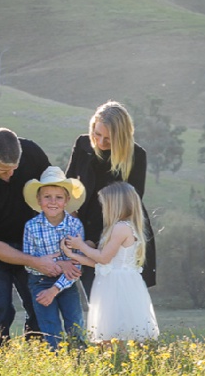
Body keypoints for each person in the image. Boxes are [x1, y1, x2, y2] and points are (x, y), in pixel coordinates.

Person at [0, 127, 78, 346]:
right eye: (4, 170)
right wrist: (35, 262)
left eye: (14, 168)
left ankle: (36, 359)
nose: (10, 175)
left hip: (33, 242)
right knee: (1, 308)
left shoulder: (31, 153)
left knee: (38, 304)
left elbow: (57, 192)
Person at [65, 101, 156, 291]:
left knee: (118, 299)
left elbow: (130, 206)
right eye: (97, 134)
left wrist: (96, 241)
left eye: (109, 138)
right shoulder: (83, 144)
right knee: (97, 302)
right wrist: (75, 225)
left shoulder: (136, 155)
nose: (100, 142)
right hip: (81, 232)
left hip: (116, 237)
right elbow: (68, 187)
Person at [61, 182, 159, 344]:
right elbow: (105, 265)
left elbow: (103, 258)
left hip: (117, 285)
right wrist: (74, 255)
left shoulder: (121, 228)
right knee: (112, 331)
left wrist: (81, 246)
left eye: (104, 204)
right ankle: (116, 363)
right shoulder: (118, 227)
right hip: (112, 280)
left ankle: (121, 362)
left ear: (115, 205)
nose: (102, 208)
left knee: (117, 328)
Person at [21, 165, 87, 350]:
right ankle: (57, 365)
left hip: (67, 283)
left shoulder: (74, 226)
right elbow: (29, 263)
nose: (53, 202)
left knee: (75, 325)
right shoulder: (31, 227)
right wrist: (61, 262)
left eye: (58, 197)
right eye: (47, 197)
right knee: (50, 328)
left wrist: (55, 289)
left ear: (66, 200)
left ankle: (80, 363)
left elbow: (76, 266)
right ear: (39, 200)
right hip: (40, 282)